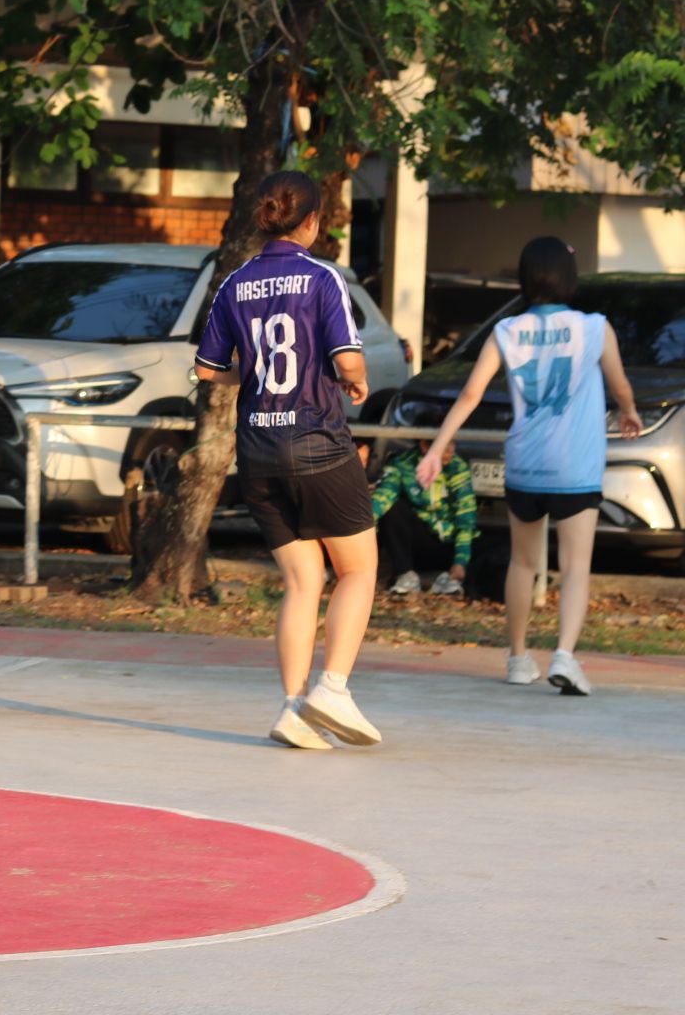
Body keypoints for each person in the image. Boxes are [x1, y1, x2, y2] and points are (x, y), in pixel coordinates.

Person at [194, 171, 382, 751]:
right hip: (318, 440)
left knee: (302, 581)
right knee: (358, 570)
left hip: (257, 451)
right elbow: (347, 359)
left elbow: (206, 369)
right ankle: (333, 688)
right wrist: (356, 380)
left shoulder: (234, 282)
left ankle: (293, 708)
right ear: (313, 220)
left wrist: (250, 373)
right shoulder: (323, 277)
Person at [417, 237, 639, 696]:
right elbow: (619, 386)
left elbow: (471, 394)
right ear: (568, 276)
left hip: (525, 464)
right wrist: (629, 411)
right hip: (574, 465)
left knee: (522, 562)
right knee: (575, 566)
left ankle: (518, 658)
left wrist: (437, 447)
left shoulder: (506, 330)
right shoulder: (595, 328)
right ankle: (565, 655)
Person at [371, 437, 476, 596]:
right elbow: (383, 497)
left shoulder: (457, 467)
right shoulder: (403, 463)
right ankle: (405, 574)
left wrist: (460, 561)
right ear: (424, 446)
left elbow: (466, 518)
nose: (450, 451)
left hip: (447, 543)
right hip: (420, 539)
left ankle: (448, 577)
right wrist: (360, 530)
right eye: (444, 445)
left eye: (452, 443)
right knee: (394, 509)